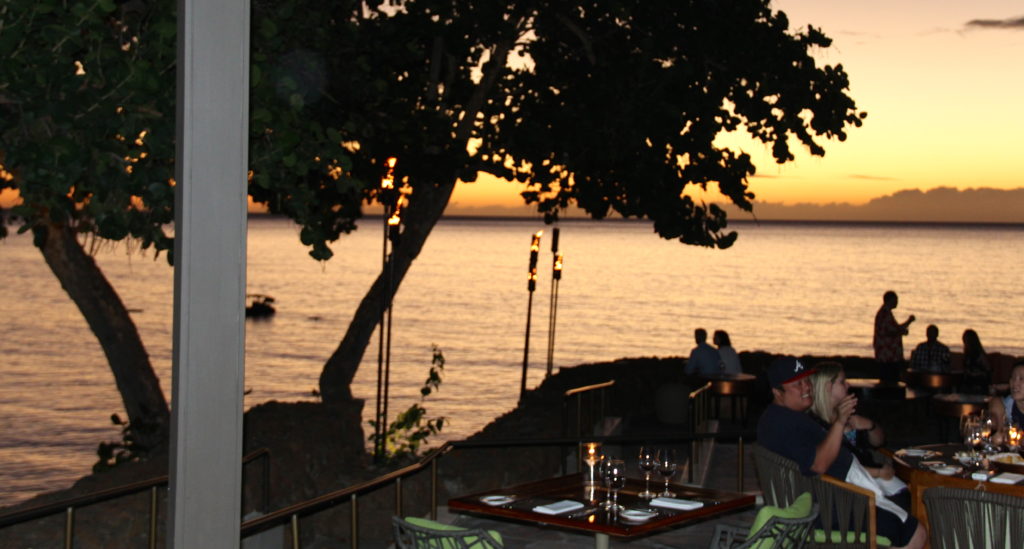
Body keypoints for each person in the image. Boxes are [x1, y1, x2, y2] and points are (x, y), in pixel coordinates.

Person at [758, 357, 925, 549]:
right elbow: (818, 464)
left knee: (909, 512)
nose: (806, 388)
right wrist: (839, 423)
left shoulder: (783, 417)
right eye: (797, 384)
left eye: (806, 381)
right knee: (915, 531)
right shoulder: (784, 423)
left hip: (836, 497)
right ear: (777, 392)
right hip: (837, 506)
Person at [809, 361, 908, 499]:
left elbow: (879, 442)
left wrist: (870, 425)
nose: (848, 385)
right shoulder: (815, 424)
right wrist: (878, 472)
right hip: (847, 487)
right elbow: (837, 466)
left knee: (908, 495)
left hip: (868, 474)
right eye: (842, 382)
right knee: (903, 501)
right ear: (828, 387)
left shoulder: (849, 412)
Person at [873, 291, 915, 382]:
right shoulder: (884, 314)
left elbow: (895, 329)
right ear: (889, 300)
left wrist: (908, 322)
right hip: (887, 355)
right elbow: (888, 332)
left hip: (889, 355)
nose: (897, 302)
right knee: (890, 380)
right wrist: (901, 332)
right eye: (895, 300)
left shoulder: (886, 313)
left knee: (891, 379)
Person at [990, 361, 1024, 445]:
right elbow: (997, 438)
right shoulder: (1004, 406)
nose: (1015, 383)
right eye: (1012, 378)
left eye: (1022, 378)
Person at [961, 329, 991, 394]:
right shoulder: (967, 355)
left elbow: (988, 369)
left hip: (979, 382)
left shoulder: (979, 354)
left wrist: (977, 373)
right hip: (969, 381)